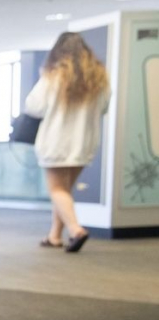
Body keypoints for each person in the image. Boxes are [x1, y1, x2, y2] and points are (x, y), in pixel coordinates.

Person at [25, 32, 110, 253]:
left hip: (56, 141)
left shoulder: (53, 76)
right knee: (65, 191)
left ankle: (75, 230)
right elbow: (104, 108)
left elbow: (33, 106)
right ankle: (54, 236)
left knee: (57, 189)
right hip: (83, 142)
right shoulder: (99, 78)